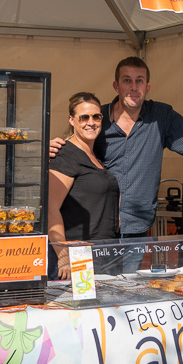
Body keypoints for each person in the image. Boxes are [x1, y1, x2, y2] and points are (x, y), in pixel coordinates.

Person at [49, 57, 183, 269]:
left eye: (139, 81)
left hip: (136, 229)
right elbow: (76, 147)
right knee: (92, 293)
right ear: (116, 85)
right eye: (127, 80)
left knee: (124, 293)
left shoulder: (161, 118)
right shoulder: (97, 118)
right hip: (96, 230)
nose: (133, 87)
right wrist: (54, 147)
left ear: (147, 87)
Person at [48, 92, 120, 280]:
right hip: (77, 258)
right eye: (84, 117)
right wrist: (63, 255)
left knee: (101, 309)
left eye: (96, 116)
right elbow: (50, 208)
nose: (91, 122)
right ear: (72, 120)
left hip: (101, 256)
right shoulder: (64, 155)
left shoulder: (95, 156)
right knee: (80, 309)